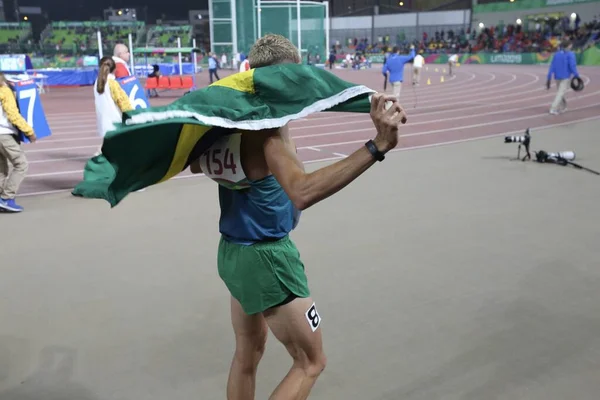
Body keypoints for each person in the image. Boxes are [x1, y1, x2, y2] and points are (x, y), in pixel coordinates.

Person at [188, 34, 407, 400]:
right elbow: (302, 192)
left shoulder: (227, 131)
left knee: (247, 353)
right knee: (311, 361)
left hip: (232, 252)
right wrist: (377, 146)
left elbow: (196, 165)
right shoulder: (267, 136)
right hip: (268, 259)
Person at [0, 72, 36, 212]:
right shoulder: (4, 90)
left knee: (1, 168)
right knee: (21, 164)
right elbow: (13, 115)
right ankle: (7, 197)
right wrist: (29, 131)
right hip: (4, 134)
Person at [93, 56, 133, 155]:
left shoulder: (97, 83)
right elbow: (122, 100)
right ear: (115, 69)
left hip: (103, 118)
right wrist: (131, 112)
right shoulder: (112, 83)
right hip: (115, 118)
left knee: (111, 142)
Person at [546, 39, 580, 115]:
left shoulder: (556, 54)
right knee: (560, 93)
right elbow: (572, 66)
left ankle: (564, 106)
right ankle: (553, 108)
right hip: (565, 76)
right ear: (568, 46)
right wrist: (576, 75)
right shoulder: (570, 54)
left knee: (560, 92)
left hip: (557, 76)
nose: (572, 46)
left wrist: (549, 76)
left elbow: (552, 66)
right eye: (571, 44)